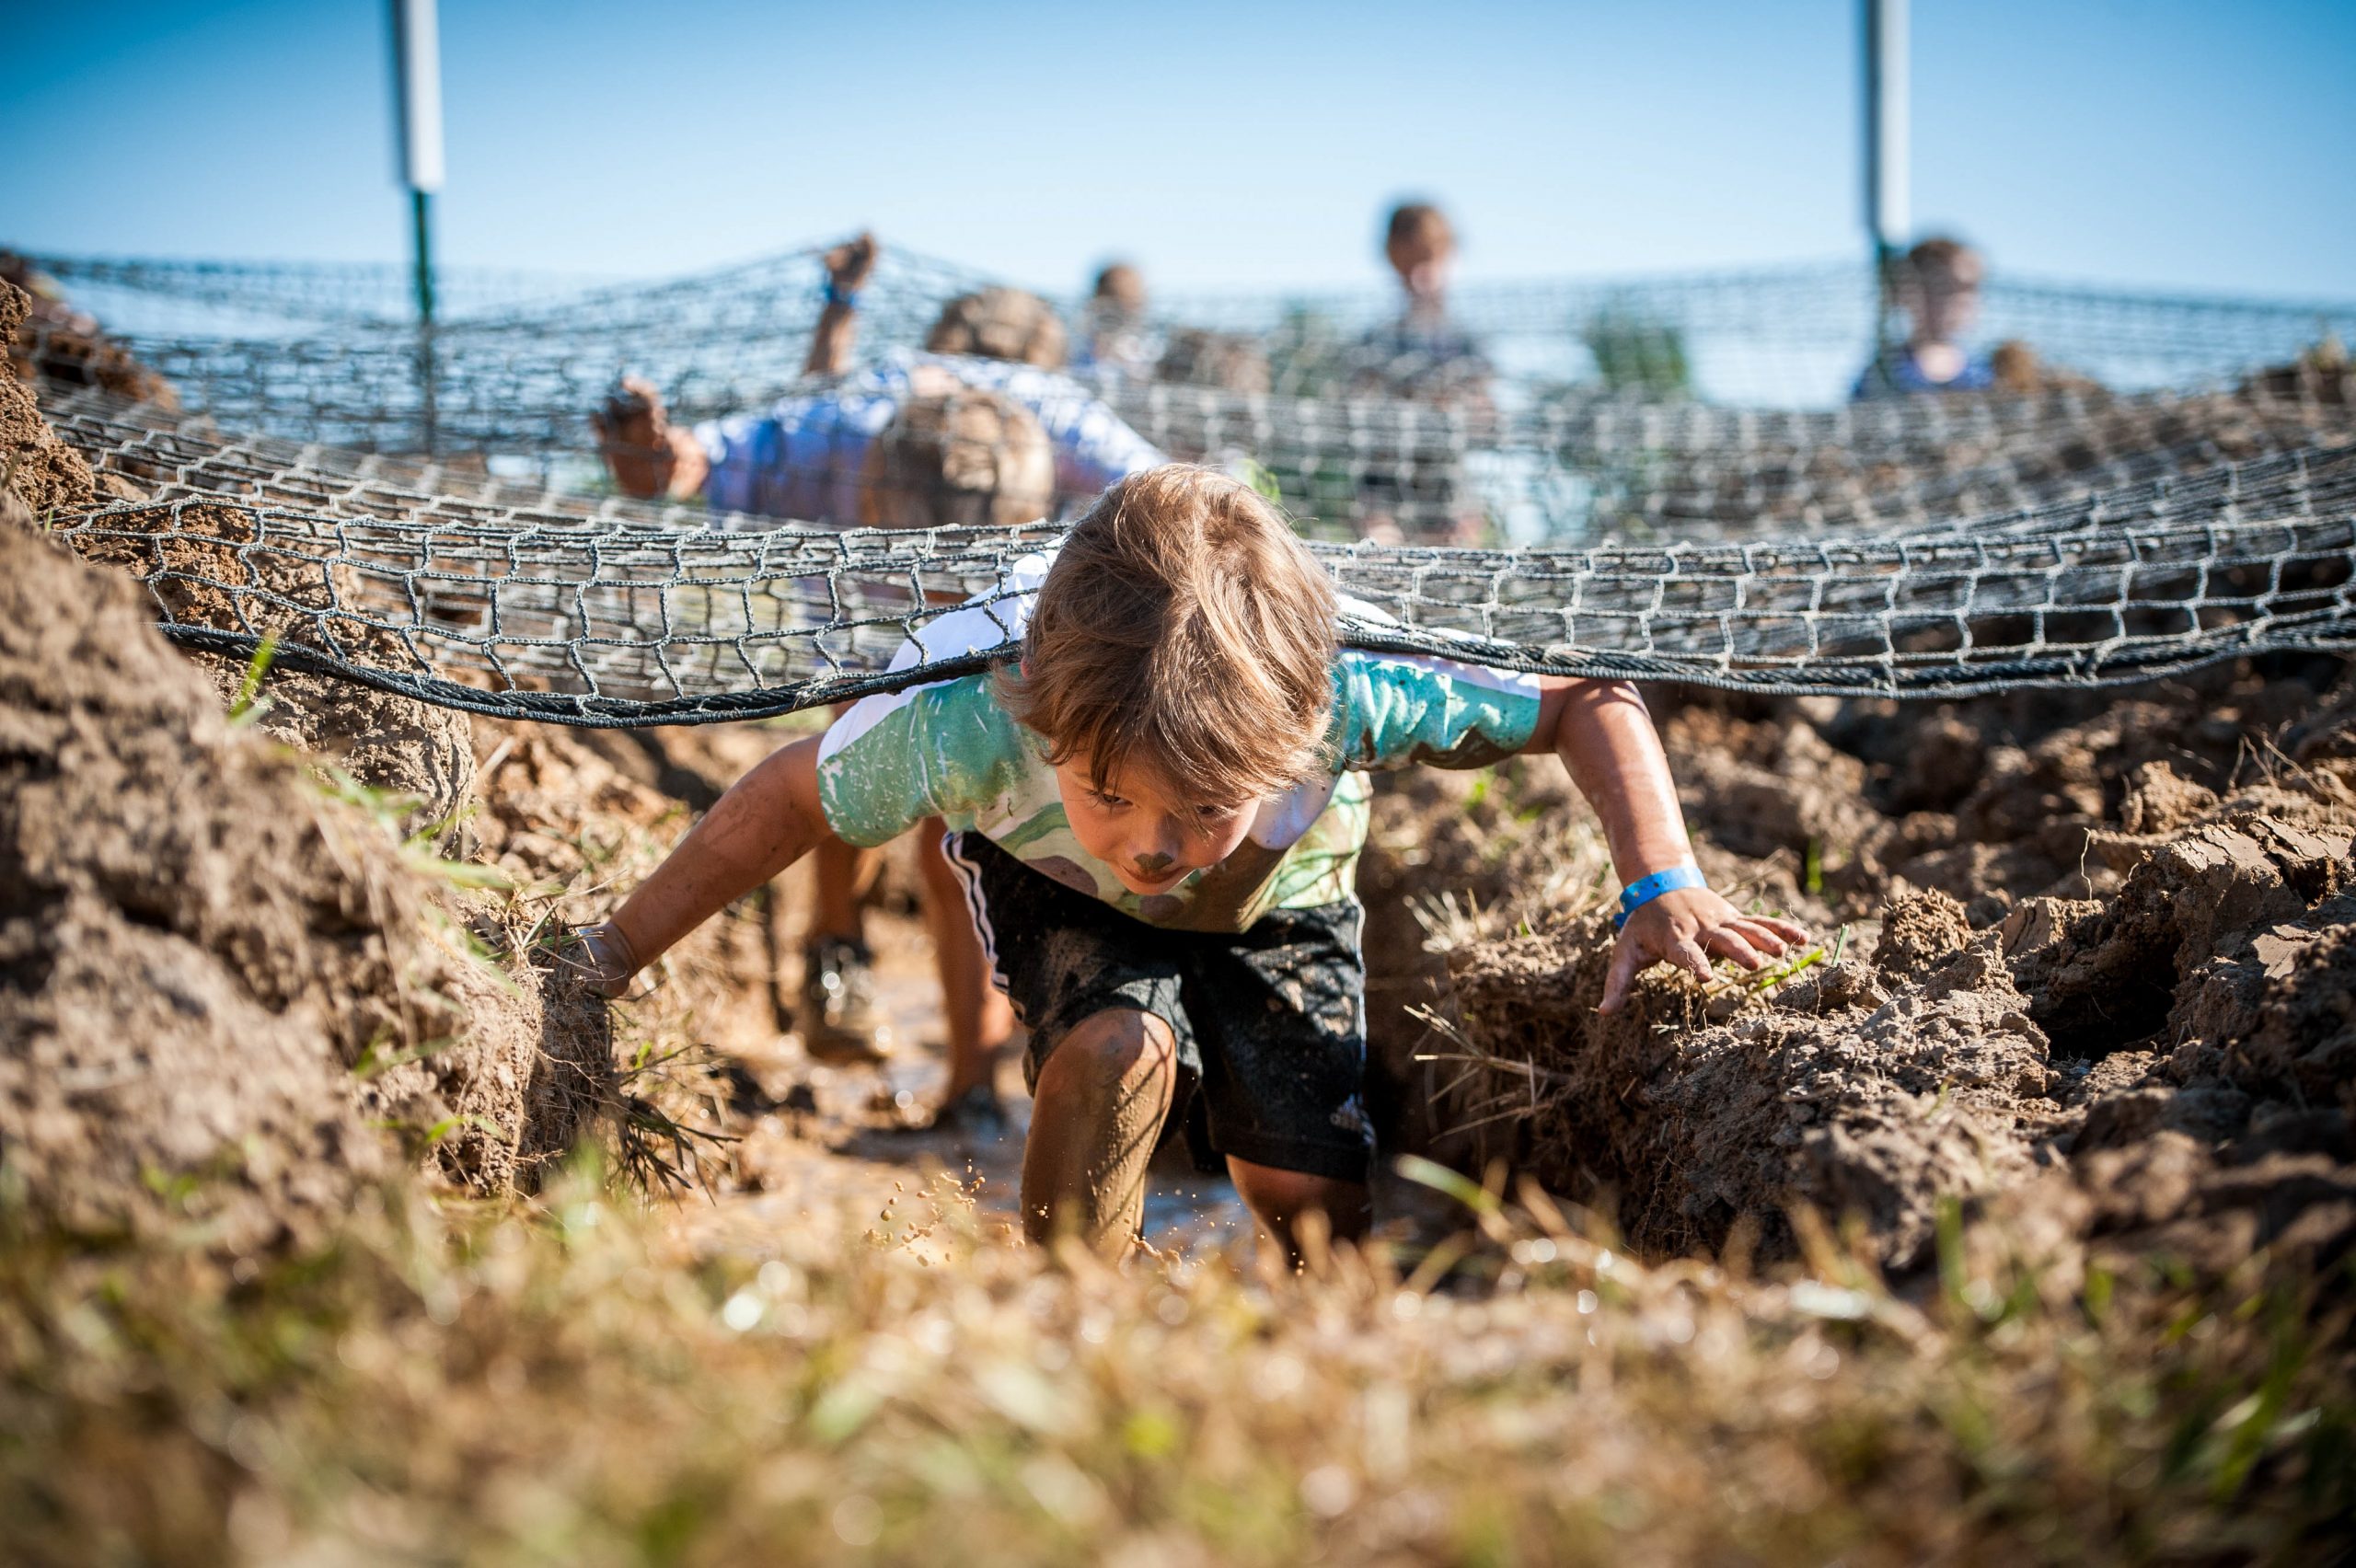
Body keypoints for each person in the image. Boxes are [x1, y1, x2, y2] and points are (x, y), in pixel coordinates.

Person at [570, 466, 1806, 1256]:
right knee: (1116, 1050)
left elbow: (1587, 697)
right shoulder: (969, 710)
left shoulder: (1359, 683)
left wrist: (1661, 882)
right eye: (1112, 793)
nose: (1154, 844)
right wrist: (612, 952)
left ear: (1303, 732)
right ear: (1045, 723)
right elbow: (791, 795)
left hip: (1288, 897)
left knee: (1298, 1184)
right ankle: (1068, 1307)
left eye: (1203, 803)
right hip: (1053, 885)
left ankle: (1325, 1312)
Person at [592, 236, 1167, 1129]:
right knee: (849, 782)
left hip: (978, 641)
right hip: (859, 634)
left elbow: (1174, 500)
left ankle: (963, 1068)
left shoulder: (1050, 418)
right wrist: (651, 448)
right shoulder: (855, 417)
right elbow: (678, 467)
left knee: (950, 839)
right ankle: (849, 965)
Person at [1852, 236, 1998, 398]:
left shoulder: (1987, 374)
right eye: (1947, 287)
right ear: (1911, 291)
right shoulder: (1883, 375)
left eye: (1972, 288)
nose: (1964, 299)